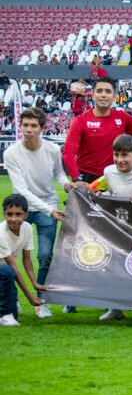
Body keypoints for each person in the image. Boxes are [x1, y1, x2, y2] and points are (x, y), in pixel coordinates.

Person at [3, 108, 72, 317]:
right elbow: (21, 190)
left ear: (42, 128)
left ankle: (41, 301)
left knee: (44, 255)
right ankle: (12, 300)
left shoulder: (52, 149)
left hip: (47, 205)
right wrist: (50, 211)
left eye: (34, 126)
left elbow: (59, 173)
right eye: (25, 125)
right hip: (20, 209)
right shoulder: (11, 153)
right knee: (8, 257)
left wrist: (66, 184)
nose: (29, 130)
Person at [88, 134, 132, 321]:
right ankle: (115, 308)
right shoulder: (109, 172)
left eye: (125, 155)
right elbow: (104, 190)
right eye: (116, 155)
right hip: (119, 228)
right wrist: (100, 194)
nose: (120, 160)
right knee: (114, 266)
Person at [62, 77, 132, 185]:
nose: (103, 95)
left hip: (116, 177)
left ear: (114, 96)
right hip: (87, 179)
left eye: (108, 91)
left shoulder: (123, 118)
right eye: (99, 91)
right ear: (93, 95)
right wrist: (76, 178)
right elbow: (68, 152)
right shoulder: (80, 121)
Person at [0, 195, 46, 327]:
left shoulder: (27, 228)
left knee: (15, 312)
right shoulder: (1, 233)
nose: (13, 219)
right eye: (9, 214)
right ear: (4, 214)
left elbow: (27, 260)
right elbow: (13, 266)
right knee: (8, 271)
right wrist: (29, 296)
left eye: (18, 214)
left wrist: (34, 283)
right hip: (5, 270)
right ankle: (3, 314)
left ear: (26, 215)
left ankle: (10, 304)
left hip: (5, 270)